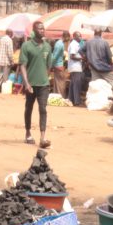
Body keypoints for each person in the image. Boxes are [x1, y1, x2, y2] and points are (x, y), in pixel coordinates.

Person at [19, 20, 53, 148]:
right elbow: (22, 65)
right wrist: (26, 83)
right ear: (34, 31)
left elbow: (49, 66)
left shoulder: (47, 47)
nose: (42, 30)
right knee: (29, 108)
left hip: (44, 84)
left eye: (43, 28)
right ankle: (28, 133)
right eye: (39, 28)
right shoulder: (26, 46)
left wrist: (45, 78)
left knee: (43, 109)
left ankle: (43, 137)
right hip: (31, 85)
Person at [68, 31, 85, 107]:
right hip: (75, 67)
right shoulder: (74, 44)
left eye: (81, 36)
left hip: (74, 67)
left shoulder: (75, 44)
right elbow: (72, 56)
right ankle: (77, 101)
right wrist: (82, 58)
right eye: (79, 36)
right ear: (74, 36)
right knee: (77, 84)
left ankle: (71, 99)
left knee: (73, 84)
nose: (80, 38)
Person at [51, 31, 69, 98]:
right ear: (65, 37)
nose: (68, 40)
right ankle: (61, 97)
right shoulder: (60, 44)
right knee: (61, 84)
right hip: (59, 66)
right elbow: (55, 56)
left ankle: (57, 97)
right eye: (68, 38)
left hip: (58, 65)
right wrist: (51, 65)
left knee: (58, 83)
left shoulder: (60, 43)